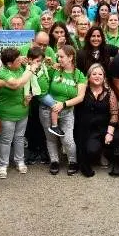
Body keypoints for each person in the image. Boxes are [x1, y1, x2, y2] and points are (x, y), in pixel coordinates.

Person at [0, 48, 37, 178]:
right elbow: (16, 84)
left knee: (19, 137)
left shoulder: (21, 68)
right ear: (9, 64)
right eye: (17, 60)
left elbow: (27, 84)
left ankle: (20, 161)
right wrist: (31, 69)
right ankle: (3, 165)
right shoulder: (2, 72)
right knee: (6, 139)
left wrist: (29, 95)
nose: (20, 60)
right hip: (6, 113)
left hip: (23, 110)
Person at [44, 45, 86, 175]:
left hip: (67, 111)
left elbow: (80, 97)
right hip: (48, 110)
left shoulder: (79, 75)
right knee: (50, 138)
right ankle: (54, 161)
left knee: (68, 139)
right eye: (58, 56)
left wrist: (64, 104)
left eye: (62, 56)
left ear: (70, 57)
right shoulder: (54, 70)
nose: (59, 59)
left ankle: (73, 161)